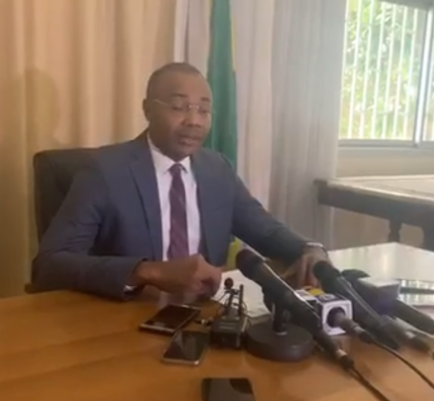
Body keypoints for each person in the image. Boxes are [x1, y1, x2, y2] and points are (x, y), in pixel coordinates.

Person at [31, 62, 329, 300]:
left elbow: (266, 230)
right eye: (178, 107)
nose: (194, 121)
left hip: (205, 315)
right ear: (148, 109)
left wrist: (310, 248)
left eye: (204, 110)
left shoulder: (217, 169)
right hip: (127, 318)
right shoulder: (105, 170)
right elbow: (49, 265)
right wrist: (148, 272)